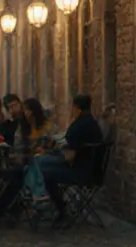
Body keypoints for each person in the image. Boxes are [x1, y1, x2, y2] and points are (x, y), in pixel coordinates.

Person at [38, 93, 105, 222]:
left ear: (77, 108)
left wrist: (54, 150)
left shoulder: (77, 127)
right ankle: (54, 205)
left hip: (80, 172)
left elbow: (68, 157)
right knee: (44, 163)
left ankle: (60, 208)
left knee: (44, 171)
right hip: (93, 169)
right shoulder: (92, 123)